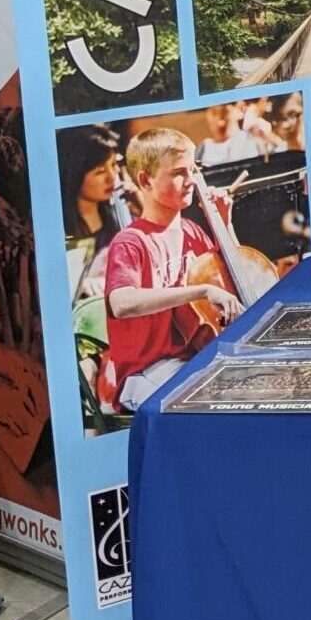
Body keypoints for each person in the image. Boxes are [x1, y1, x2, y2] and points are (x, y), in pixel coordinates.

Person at [102, 129, 243, 411]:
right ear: (146, 180)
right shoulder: (131, 241)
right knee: (210, 403)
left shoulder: (193, 231)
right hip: (147, 370)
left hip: (196, 359)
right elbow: (120, 303)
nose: (191, 180)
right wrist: (200, 291)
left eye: (193, 170)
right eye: (179, 173)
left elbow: (238, 282)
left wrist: (225, 226)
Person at [59, 125, 126, 300]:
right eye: (100, 171)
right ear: (75, 175)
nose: (112, 176)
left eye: (113, 164)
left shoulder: (120, 212)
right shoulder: (59, 229)